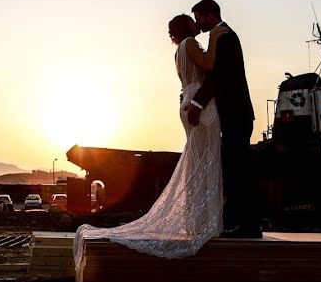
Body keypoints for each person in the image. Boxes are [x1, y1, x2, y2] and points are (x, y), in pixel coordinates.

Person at [73, 14, 227, 265]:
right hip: (200, 103)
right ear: (185, 27)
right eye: (191, 20)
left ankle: (197, 221)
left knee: (197, 161)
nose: (195, 23)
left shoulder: (178, 50)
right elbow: (210, 65)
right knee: (206, 161)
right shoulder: (190, 43)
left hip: (187, 100)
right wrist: (215, 41)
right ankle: (205, 223)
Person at [187, 0, 261, 238]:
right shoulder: (221, 37)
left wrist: (197, 103)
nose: (198, 24)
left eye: (199, 18)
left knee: (239, 169)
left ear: (210, 15)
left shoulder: (225, 37)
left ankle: (248, 226)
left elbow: (218, 76)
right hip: (234, 114)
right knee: (234, 168)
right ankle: (243, 223)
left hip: (237, 113)